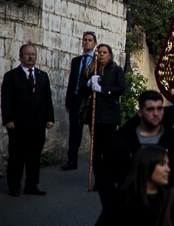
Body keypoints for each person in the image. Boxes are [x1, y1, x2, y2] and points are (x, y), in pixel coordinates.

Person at [100, 91, 174, 202]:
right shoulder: (122, 138)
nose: (156, 113)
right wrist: (111, 202)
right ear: (140, 112)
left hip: (166, 205)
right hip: (130, 204)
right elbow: (106, 174)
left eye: (159, 109)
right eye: (150, 109)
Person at [1, 44, 54, 196]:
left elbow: (47, 99)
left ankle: (32, 184)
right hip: (18, 123)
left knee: (34, 156)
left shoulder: (42, 76)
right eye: (27, 54)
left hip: (38, 123)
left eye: (33, 54)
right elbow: (6, 100)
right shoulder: (12, 76)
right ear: (20, 56)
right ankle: (14, 185)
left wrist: (50, 118)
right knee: (16, 156)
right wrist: (8, 119)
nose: (30, 57)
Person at [81, 43, 126, 189]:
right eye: (99, 52)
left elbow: (121, 89)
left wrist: (102, 89)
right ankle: (98, 179)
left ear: (109, 55)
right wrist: (88, 84)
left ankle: (108, 178)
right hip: (94, 115)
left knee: (108, 149)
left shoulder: (116, 70)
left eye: (104, 52)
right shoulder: (91, 70)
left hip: (109, 115)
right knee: (96, 149)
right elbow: (82, 92)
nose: (101, 54)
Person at [96, 146, 171, 226]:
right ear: (147, 166)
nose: (168, 169)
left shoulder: (168, 199)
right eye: (162, 164)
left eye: (168, 164)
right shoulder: (122, 201)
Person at [62, 31, 97, 171]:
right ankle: (72, 160)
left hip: (90, 100)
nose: (87, 42)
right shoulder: (76, 61)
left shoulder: (97, 60)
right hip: (76, 99)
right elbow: (72, 81)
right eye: (85, 40)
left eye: (89, 40)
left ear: (94, 43)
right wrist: (68, 100)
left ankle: (96, 162)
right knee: (75, 131)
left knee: (93, 132)